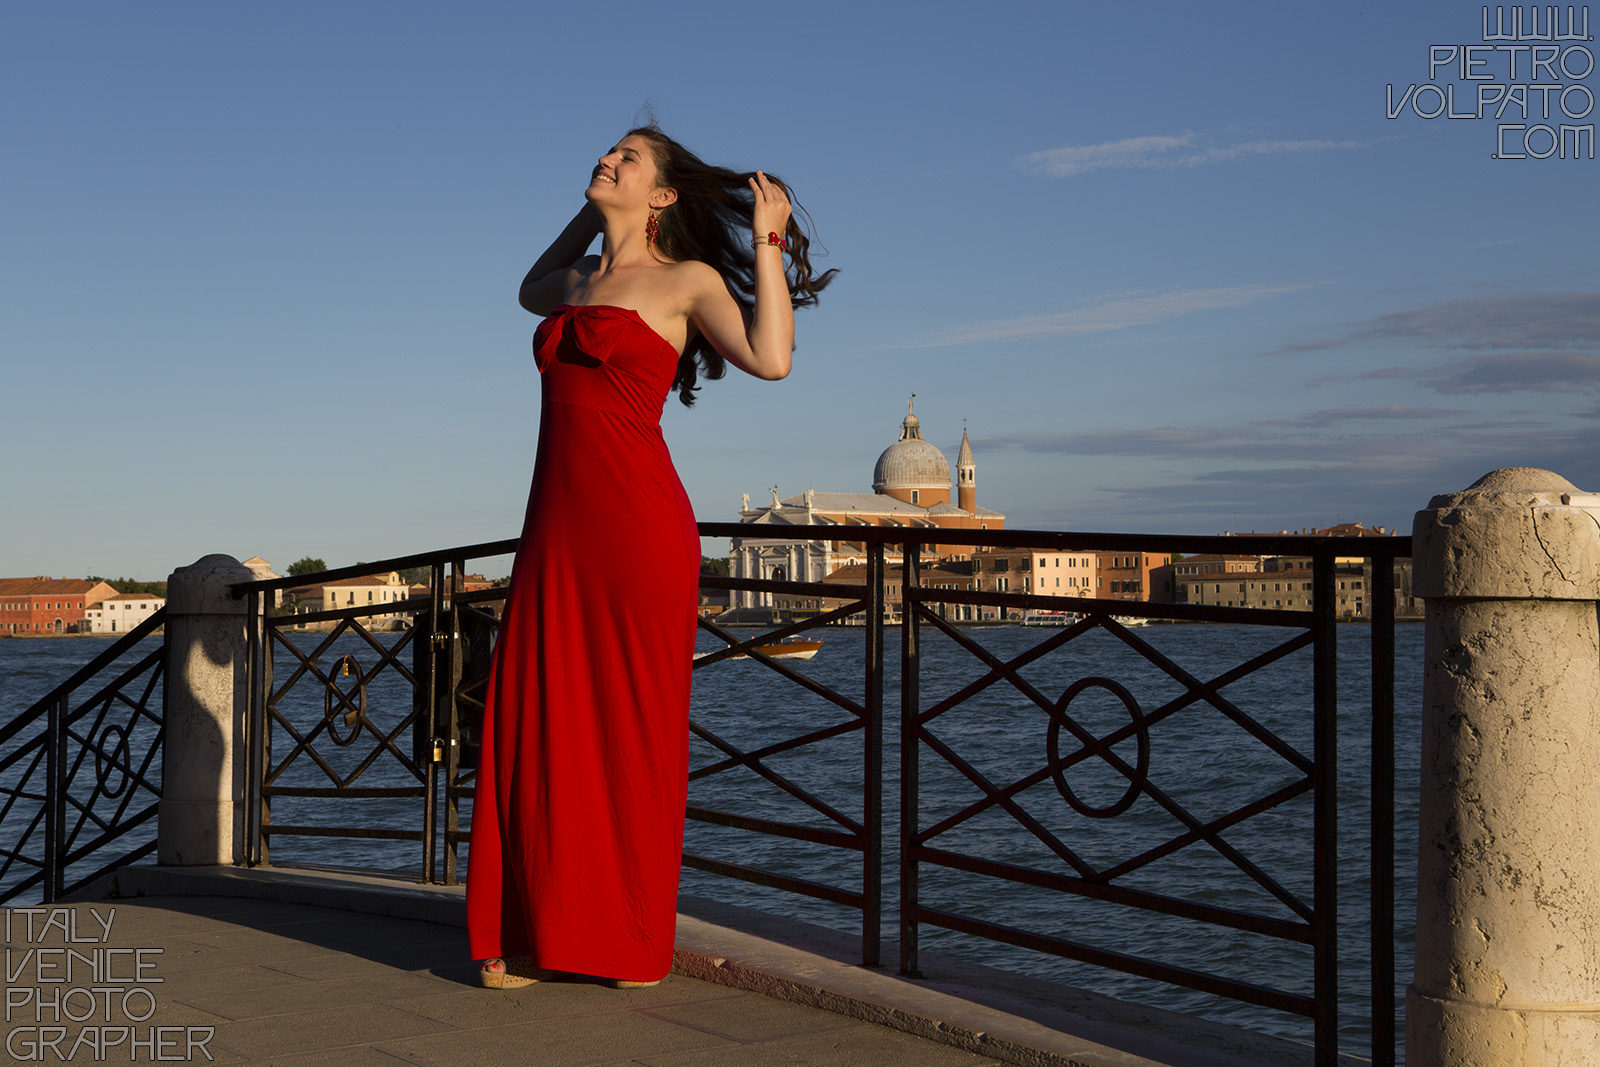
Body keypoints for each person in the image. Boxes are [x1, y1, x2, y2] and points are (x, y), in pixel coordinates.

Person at [465, 125, 833, 990]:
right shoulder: (576, 281)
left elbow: (771, 359)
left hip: (638, 531)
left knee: (629, 731)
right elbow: (526, 290)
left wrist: (770, 243)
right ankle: (533, 932)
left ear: (663, 194)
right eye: (607, 152)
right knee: (537, 719)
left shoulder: (686, 282)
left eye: (628, 158)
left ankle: (624, 939)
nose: (609, 160)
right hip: (555, 532)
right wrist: (591, 215)